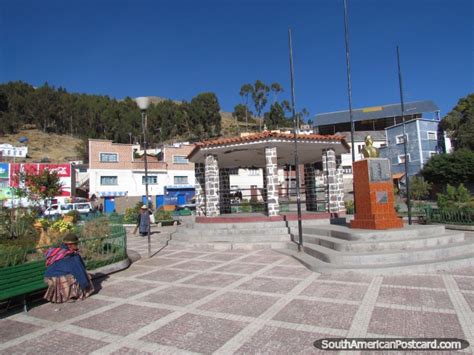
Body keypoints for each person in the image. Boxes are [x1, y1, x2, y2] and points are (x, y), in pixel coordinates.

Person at [43, 233, 94, 303]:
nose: (77, 245)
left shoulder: (58, 251)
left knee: (69, 275)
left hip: (49, 277)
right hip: (55, 278)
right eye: (75, 244)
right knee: (73, 277)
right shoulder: (70, 255)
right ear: (70, 245)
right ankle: (70, 296)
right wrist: (85, 284)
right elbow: (78, 270)